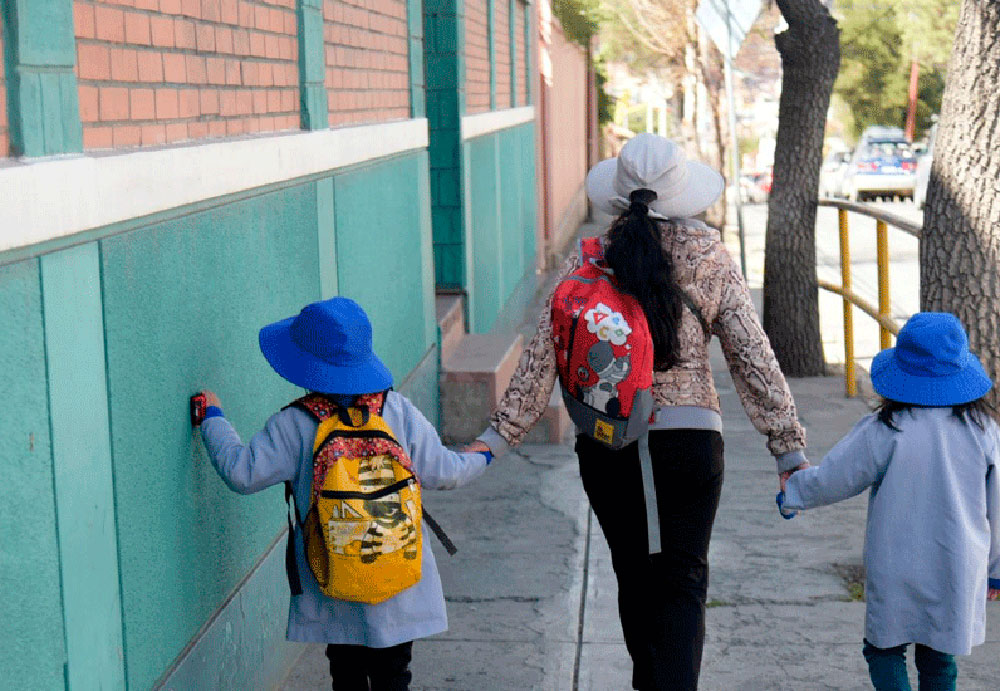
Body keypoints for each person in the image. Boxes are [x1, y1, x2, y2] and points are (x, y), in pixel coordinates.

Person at [465, 133, 811, 690]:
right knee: (683, 581)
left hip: (608, 444)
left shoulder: (589, 262)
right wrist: (787, 449)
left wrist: (494, 439)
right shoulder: (712, 260)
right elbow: (754, 358)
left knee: (634, 574)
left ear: (619, 194)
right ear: (681, 191)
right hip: (692, 445)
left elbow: (541, 360)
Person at [197, 296, 492, 691]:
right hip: (399, 583)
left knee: (347, 675)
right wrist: (485, 452)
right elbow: (446, 471)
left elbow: (241, 472)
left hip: (334, 584)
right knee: (394, 676)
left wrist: (212, 418)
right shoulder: (396, 410)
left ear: (305, 364)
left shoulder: (296, 424)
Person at [779, 312, 1000, 691]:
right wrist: (995, 569)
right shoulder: (984, 431)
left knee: (883, 649)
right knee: (939, 656)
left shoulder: (886, 428)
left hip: (897, 564)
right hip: (957, 563)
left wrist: (793, 493)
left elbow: (836, 478)